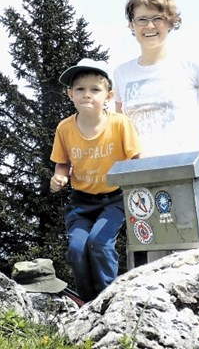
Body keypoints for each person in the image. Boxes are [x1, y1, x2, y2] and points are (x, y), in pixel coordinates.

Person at [113, 0, 199, 248]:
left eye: (158, 18)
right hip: (141, 176)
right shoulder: (122, 73)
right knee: (149, 249)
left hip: (186, 169)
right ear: (131, 25)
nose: (150, 26)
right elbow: (119, 125)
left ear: (170, 22)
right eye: (141, 19)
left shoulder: (188, 64)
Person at [50, 58, 142, 302]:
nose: (87, 95)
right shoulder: (65, 128)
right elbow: (63, 162)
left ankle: (108, 299)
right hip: (81, 202)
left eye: (95, 89)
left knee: (99, 243)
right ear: (70, 94)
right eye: (80, 89)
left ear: (109, 95)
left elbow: (136, 158)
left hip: (115, 198)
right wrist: (59, 176)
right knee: (77, 248)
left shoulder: (120, 124)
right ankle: (88, 302)